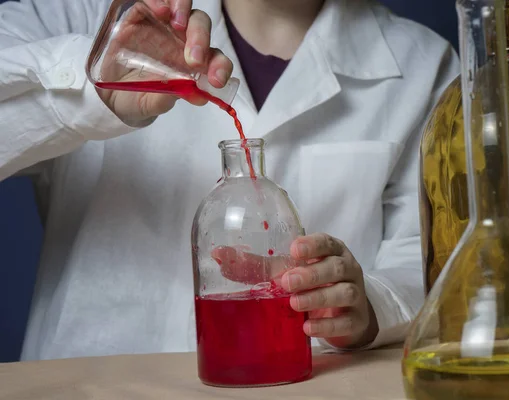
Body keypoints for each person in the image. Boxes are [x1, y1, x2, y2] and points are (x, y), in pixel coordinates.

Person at [0, 0, 460, 361]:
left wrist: (367, 305)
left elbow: (436, 264)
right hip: (86, 381)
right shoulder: (79, 16)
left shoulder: (424, 66)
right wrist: (91, 85)